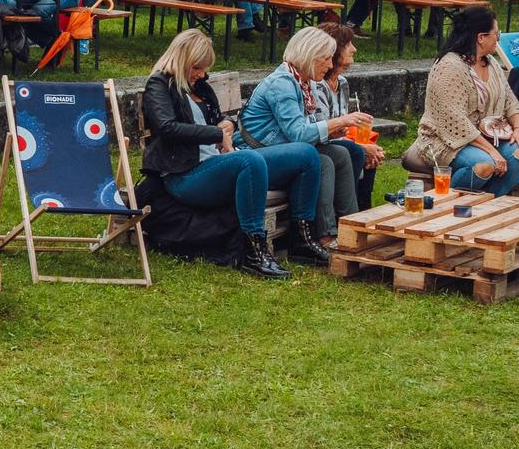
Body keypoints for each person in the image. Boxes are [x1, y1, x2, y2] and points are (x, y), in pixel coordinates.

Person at [140, 29, 318, 278]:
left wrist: (227, 124)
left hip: (217, 163)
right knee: (250, 160)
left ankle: (302, 239)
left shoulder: (199, 86)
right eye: (197, 68)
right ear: (182, 60)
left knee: (306, 154)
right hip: (184, 175)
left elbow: (217, 118)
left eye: (203, 69)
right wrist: (215, 134)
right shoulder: (159, 84)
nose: (201, 74)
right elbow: (167, 127)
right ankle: (254, 251)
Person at [241, 27, 371, 252]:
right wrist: (338, 123)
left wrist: (332, 131)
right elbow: (298, 134)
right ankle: (321, 235)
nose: (331, 65)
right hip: (258, 155)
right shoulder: (282, 84)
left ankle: (350, 225)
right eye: (327, 58)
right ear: (311, 56)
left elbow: (307, 129)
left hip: (283, 150)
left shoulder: (304, 82)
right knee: (323, 161)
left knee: (347, 151)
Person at [415, 4, 519, 196]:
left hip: (489, 136)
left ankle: (488, 203)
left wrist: (517, 128)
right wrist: (492, 151)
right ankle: (447, 204)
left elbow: (510, 102)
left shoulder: (492, 63)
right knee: (485, 165)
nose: (499, 38)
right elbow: (457, 122)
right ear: (481, 38)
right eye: (496, 33)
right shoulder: (449, 68)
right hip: (446, 140)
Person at [305, 23, 381, 233]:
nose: (354, 49)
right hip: (318, 142)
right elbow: (322, 130)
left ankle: (361, 216)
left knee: (364, 152)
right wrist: (362, 146)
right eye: (348, 44)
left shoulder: (343, 83)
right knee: (356, 151)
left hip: (334, 140)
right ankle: (350, 221)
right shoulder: (316, 85)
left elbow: (340, 127)